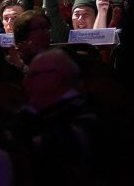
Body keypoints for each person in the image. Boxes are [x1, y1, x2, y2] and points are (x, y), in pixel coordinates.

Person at [12, 49, 104, 186]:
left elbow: (65, 146)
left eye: (32, 76)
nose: (25, 83)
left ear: (55, 78)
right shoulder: (29, 111)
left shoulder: (88, 111)